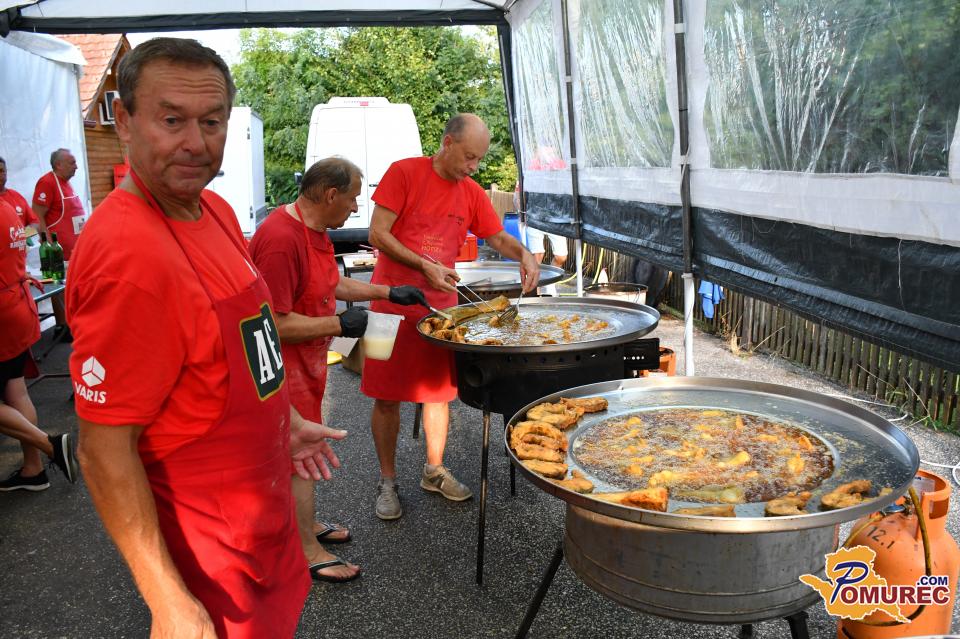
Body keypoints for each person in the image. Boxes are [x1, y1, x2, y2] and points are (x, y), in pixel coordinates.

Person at [66, 37, 343, 638]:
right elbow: (103, 451)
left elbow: (242, 337)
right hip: (207, 549)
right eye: (172, 120)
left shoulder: (211, 208)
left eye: (211, 122)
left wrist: (284, 421)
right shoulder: (128, 257)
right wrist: (168, 599)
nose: (196, 142)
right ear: (124, 121)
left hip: (260, 516)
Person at [249, 157, 428, 583]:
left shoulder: (315, 231)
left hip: (308, 364)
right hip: (283, 370)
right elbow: (271, 323)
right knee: (298, 457)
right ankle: (306, 551)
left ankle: (305, 525)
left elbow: (331, 283)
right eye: (352, 199)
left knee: (303, 453)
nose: (355, 208)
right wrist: (339, 324)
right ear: (331, 195)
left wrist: (389, 292)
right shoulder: (281, 239)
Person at [362, 113, 540, 520]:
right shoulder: (404, 173)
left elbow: (497, 236)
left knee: (438, 394)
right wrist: (425, 265)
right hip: (386, 301)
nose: (474, 167)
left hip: (440, 311)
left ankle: (434, 469)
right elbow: (377, 234)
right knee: (384, 396)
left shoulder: (471, 192)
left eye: (479, 159)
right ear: (447, 143)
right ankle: (387, 482)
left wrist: (525, 255)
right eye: (469, 157)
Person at [0, 198, 78, 491]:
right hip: (16, 305)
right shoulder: (7, 207)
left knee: (14, 391)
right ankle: (33, 470)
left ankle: (50, 445)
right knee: (16, 391)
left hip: (4, 311)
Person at [32, 149, 81, 340]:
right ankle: (62, 327)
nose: (76, 166)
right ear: (58, 165)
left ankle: (73, 324)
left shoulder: (67, 183)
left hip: (73, 250)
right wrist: (49, 245)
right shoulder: (47, 182)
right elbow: (37, 215)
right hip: (56, 251)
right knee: (57, 287)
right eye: (72, 162)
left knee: (72, 289)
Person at [0, 157, 40, 230]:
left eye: (1, 171)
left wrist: (23, 232)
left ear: (6, 172)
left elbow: (34, 222)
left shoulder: (16, 196)